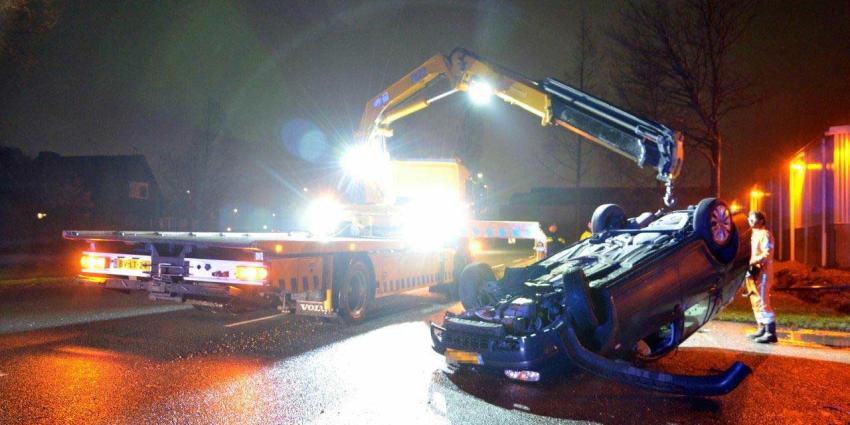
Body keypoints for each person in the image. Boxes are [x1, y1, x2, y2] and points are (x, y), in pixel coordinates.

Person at [745, 211, 777, 344]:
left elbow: (767, 253)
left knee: (762, 301)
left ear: (761, 221)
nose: (750, 222)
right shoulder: (754, 235)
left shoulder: (765, 234)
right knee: (755, 300)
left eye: (753, 220)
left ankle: (770, 332)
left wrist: (753, 261)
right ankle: (762, 328)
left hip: (763, 272)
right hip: (754, 272)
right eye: (750, 219)